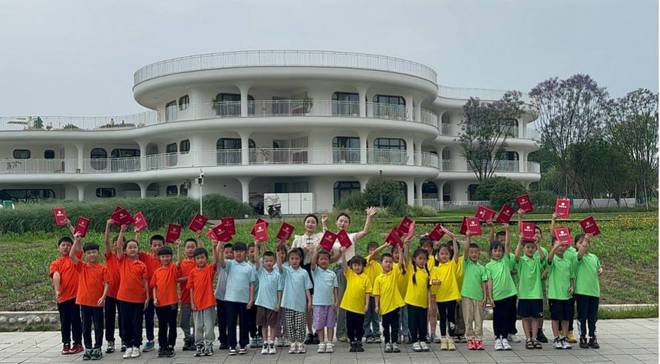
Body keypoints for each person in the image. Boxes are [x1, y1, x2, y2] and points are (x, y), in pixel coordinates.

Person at [330, 207, 377, 342]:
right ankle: (340, 333)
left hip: (354, 271)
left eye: (345, 221)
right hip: (340, 270)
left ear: (348, 224)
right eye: (340, 221)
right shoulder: (332, 239)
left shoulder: (351, 237)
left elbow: (365, 231)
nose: (343, 223)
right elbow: (331, 260)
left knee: (355, 300)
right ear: (336, 222)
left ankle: (354, 331)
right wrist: (340, 253)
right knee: (341, 302)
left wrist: (369, 216)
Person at [70, 234, 110, 361]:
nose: (92, 255)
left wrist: (103, 297)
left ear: (98, 253)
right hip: (84, 302)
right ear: (85, 254)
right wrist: (76, 241)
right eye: (89, 253)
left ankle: (97, 348)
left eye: (94, 252)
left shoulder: (103, 268)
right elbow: (71, 256)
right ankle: (88, 348)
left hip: (97, 303)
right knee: (86, 327)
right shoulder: (82, 267)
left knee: (98, 326)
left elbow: (107, 283)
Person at [290, 213, 327, 345]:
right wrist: (302, 250)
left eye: (313, 222)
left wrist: (324, 223)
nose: (310, 224)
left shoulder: (319, 237)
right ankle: (309, 332)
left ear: (316, 225)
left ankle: (318, 331)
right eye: (308, 222)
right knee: (306, 303)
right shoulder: (298, 239)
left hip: (316, 270)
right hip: (302, 270)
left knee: (317, 302)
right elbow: (291, 255)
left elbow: (328, 240)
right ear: (304, 223)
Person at [114, 226, 149, 359]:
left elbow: (145, 282)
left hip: (138, 299)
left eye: (135, 247)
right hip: (123, 298)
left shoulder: (142, 265)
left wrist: (147, 297)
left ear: (138, 250)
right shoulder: (122, 261)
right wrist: (122, 230)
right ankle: (128, 346)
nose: (133, 249)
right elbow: (118, 246)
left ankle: (136, 346)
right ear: (125, 250)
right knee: (125, 323)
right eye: (130, 247)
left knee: (137, 323)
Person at [218, 241, 256, 355]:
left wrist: (251, 299)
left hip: (244, 300)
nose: (238, 253)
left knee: (244, 323)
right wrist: (220, 249)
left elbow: (252, 284)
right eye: (236, 251)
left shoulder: (249, 267)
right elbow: (221, 262)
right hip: (230, 299)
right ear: (233, 253)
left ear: (245, 253)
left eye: (241, 251)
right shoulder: (230, 264)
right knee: (231, 323)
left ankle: (243, 344)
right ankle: (232, 345)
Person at [50, 231, 84, 356]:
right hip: (62, 297)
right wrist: (57, 291)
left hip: (75, 296)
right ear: (59, 248)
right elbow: (55, 275)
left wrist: (76, 239)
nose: (66, 247)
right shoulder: (56, 263)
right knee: (65, 322)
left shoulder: (75, 258)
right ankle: (66, 343)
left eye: (68, 245)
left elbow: (79, 245)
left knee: (76, 320)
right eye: (63, 245)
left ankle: (78, 343)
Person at [489, 221, 522, 344]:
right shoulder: (489, 265)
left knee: (511, 313)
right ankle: (499, 336)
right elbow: (489, 282)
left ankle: (509, 333)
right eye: (495, 250)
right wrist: (489, 296)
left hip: (510, 292)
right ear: (491, 251)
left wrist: (508, 230)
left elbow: (507, 245)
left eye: (500, 250)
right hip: (497, 294)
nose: (498, 252)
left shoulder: (506, 259)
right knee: (498, 316)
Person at [514, 226, 546, 350]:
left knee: (535, 317)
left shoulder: (537, 260)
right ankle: (528, 338)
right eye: (528, 247)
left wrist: (537, 244)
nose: (530, 249)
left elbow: (543, 258)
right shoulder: (521, 261)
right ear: (524, 249)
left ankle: (534, 338)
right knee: (526, 317)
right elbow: (516, 257)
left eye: (532, 248)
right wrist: (520, 242)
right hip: (524, 294)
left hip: (536, 294)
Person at [278, 247, 313, 354]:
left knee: (300, 325)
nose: (294, 261)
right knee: (290, 324)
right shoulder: (287, 271)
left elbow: (307, 288)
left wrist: (310, 301)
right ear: (289, 260)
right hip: (288, 303)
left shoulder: (304, 273)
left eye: (296, 259)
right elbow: (279, 266)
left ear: (301, 259)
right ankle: (293, 343)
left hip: (300, 304)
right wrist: (278, 254)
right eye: (292, 258)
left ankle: (300, 343)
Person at [372, 243, 406, 353]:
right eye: (386, 261)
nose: (388, 264)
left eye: (390, 262)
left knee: (395, 326)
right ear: (381, 263)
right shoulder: (378, 279)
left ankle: (395, 343)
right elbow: (376, 294)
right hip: (384, 307)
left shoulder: (394, 272)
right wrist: (377, 306)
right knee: (386, 327)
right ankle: (387, 342)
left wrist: (400, 251)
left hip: (395, 306)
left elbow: (400, 263)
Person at [430, 232, 460, 351]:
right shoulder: (435, 268)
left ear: (450, 255)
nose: (444, 255)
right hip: (441, 297)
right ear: (438, 255)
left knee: (451, 318)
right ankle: (443, 338)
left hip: (451, 296)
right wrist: (434, 282)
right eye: (442, 253)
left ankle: (451, 338)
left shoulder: (452, 265)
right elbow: (432, 281)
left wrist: (453, 238)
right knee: (442, 318)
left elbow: (457, 253)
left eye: (447, 253)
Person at [135, 233, 165, 352]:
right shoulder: (146, 257)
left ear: (164, 245)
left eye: (159, 245)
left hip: (161, 295)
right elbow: (135, 250)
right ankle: (150, 340)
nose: (157, 247)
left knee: (163, 319)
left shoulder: (165, 259)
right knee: (148, 318)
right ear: (150, 246)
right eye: (155, 245)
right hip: (148, 295)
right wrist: (137, 234)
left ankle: (163, 340)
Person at [187, 244, 217, 357]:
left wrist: (214, 247)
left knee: (209, 326)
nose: (200, 260)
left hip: (209, 303)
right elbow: (191, 289)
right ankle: (199, 345)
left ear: (206, 258)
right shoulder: (192, 272)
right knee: (198, 326)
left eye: (202, 257)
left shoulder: (209, 269)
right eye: (198, 258)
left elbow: (215, 262)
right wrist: (192, 303)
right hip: (197, 304)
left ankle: (209, 345)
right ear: (194, 260)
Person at [339, 248, 371, 353]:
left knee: (359, 326)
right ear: (351, 266)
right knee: (350, 326)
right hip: (349, 306)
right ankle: (352, 341)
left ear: (363, 266)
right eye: (355, 265)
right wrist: (343, 253)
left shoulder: (365, 278)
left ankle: (359, 341)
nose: (357, 267)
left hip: (360, 307)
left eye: (359, 265)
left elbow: (367, 292)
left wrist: (366, 304)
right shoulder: (350, 274)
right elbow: (344, 266)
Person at [547, 235, 575, 350]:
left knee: (566, 318)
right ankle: (556, 338)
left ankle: (564, 337)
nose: (560, 247)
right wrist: (555, 248)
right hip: (555, 295)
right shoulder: (552, 260)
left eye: (563, 245)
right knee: (555, 318)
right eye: (558, 245)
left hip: (566, 296)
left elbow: (572, 276)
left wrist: (572, 287)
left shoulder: (568, 261)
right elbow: (548, 259)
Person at [461, 233, 489, 351]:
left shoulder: (482, 268)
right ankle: (470, 339)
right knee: (468, 319)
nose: (473, 254)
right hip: (466, 295)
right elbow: (466, 250)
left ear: (479, 253)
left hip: (478, 297)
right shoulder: (466, 264)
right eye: (471, 252)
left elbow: (484, 283)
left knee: (478, 319)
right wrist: (468, 238)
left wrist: (485, 297)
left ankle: (478, 339)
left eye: (476, 252)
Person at [253, 240, 281, 355]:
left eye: (270, 261)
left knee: (273, 324)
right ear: (263, 262)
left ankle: (272, 343)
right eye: (266, 261)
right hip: (261, 303)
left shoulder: (277, 273)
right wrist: (256, 245)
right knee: (263, 324)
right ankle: (265, 342)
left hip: (273, 304)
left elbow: (279, 290)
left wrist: (278, 303)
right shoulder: (261, 271)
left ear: (274, 261)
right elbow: (255, 259)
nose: (268, 263)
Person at [151, 246, 180, 358]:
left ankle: (171, 345)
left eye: (167, 256)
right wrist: (154, 298)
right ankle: (162, 346)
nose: (165, 258)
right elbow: (154, 286)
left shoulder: (173, 268)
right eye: (163, 256)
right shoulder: (157, 272)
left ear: (170, 257)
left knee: (172, 325)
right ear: (159, 258)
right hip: (160, 303)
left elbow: (178, 262)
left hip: (172, 302)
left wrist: (177, 247)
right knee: (162, 325)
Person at [403, 239, 432, 352]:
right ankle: (415, 340)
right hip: (412, 302)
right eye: (420, 258)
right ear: (414, 259)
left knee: (423, 322)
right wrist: (407, 244)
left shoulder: (427, 272)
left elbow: (428, 289)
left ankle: (423, 340)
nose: (422, 261)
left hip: (423, 303)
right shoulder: (411, 269)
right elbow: (406, 257)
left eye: (424, 259)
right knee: (413, 322)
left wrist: (429, 303)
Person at [310, 245, 338, 353]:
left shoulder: (332, 274)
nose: (323, 261)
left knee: (330, 324)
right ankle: (321, 343)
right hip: (318, 303)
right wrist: (316, 251)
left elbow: (335, 288)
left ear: (329, 261)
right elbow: (312, 264)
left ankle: (330, 342)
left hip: (330, 304)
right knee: (319, 324)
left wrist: (336, 301)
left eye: (326, 259)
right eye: (321, 259)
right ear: (317, 260)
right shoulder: (316, 271)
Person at [575, 233, 602, 349]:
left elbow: (598, 267)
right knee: (582, 316)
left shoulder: (593, 257)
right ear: (575, 245)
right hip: (582, 291)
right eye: (580, 243)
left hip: (594, 291)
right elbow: (581, 252)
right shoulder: (577, 257)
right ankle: (582, 337)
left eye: (585, 243)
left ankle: (593, 337)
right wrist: (586, 238)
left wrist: (600, 269)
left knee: (593, 316)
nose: (584, 245)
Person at [102, 219, 123, 354]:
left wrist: (122, 229)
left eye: (118, 244)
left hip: (122, 293)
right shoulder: (109, 256)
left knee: (123, 318)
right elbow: (106, 242)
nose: (116, 246)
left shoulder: (124, 258)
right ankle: (110, 341)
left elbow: (123, 246)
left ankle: (125, 340)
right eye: (114, 244)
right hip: (109, 293)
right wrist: (108, 225)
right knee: (109, 318)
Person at [176, 238, 198, 351]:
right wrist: (189, 278)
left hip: (197, 298)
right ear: (185, 249)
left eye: (192, 247)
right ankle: (187, 338)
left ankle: (194, 339)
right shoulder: (182, 263)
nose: (190, 249)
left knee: (196, 321)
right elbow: (177, 279)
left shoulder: (198, 262)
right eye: (188, 247)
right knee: (184, 321)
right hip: (185, 297)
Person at [213, 243, 234, 350]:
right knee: (222, 320)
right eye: (227, 252)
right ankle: (223, 340)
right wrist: (217, 246)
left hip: (232, 297)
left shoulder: (235, 265)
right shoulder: (220, 265)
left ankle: (231, 339)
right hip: (221, 296)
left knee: (231, 320)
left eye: (231, 252)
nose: (229, 254)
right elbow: (216, 258)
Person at [419, 236, 438, 344]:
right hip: (422, 288)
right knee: (424, 312)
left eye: (429, 247)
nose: (426, 249)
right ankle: (424, 332)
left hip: (433, 288)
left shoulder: (434, 258)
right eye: (424, 247)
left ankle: (433, 333)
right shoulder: (419, 258)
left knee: (433, 311)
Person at [363, 241, 383, 343]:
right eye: (371, 249)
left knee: (376, 316)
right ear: (368, 251)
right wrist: (384, 245)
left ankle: (377, 333)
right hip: (366, 295)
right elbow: (371, 255)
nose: (374, 252)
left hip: (376, 295)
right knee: (367, 316)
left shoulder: (379, 266)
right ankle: (367, 334)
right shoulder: (366, 261)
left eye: (375, 250)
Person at [390, 244, 410, 343]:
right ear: (392, 255)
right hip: (396, 298)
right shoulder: (392, 266)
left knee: (405, 317)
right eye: (396, 253)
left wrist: (403, 248)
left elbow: (404, 259)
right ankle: (397, 334)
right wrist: (399, 248)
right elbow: (400, 262)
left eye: (399, 253)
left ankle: (406, 334)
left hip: (405, 297)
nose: (398, 255)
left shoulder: (406, 266)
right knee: (397, 318)